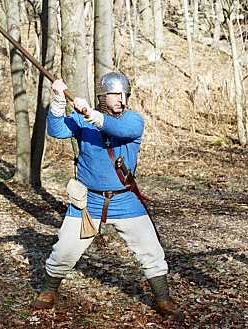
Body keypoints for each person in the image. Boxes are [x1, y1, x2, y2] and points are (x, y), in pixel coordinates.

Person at [32, 72, 183, 321]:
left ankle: (163, 297)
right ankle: (49, 290)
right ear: (103, 96)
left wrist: (91, 113)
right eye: (116, 95)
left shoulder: (133, 121)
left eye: (124, 95)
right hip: (89, 201)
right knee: (64, 251)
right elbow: (57, 130)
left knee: (151, 251)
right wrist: (59, 100)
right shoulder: (83, 122)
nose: (121, 100)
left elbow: (117, 128)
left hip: (125, 200)